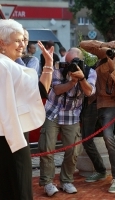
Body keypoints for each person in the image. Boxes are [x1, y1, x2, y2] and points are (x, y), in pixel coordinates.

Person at [0, 19, 53, 200]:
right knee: (19, 191)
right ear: (2, 43)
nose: (23, 44)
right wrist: (18, 144)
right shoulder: (2, 66)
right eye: (18, 40)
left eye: (23, 40)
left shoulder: (9, 64)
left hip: (11, 137)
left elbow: (38, 91)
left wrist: (48, 64)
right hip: (9, 140)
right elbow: (5, 109)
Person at [80, 39, 115, 193]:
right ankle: (100, 170)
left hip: (108, 103)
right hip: (92, 99)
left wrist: (113, 71)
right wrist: (104, 44)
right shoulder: (109, 54)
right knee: (86, 139)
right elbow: (83, 45)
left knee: (108, 137)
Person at [38, 47, 97, 197]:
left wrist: (81, 78)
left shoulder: (90, 72)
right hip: (53, 112)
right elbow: (57, 90)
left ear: (81, 61)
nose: (70, 65)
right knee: (47, 148)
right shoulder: (59, 67)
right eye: (68, 61)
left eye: (74, 62)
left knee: (73, 150)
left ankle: (66, 181)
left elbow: (89, 91)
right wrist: (72, 81)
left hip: (72, 115)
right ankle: (48, 183)